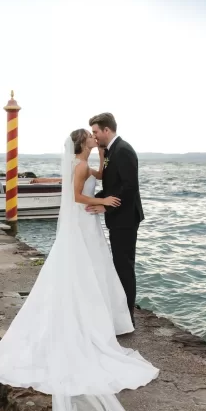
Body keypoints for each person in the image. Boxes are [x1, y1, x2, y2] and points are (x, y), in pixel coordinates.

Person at [0, 129, 159, 411]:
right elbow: (78, 197)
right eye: (90, 137)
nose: (94, 138)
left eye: (96, 136)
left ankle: (103, 317)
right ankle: (91, 319)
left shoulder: (85, 163)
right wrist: (102, 200)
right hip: (83, 221)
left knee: (95, 270)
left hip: (87, 224)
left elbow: (100, 174)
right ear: (82, 143)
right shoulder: (78, 167)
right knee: (86, 271)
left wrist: (102, 157)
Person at [88, 113, 144, 327]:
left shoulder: (123, 151)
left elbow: (129, 187)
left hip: (126, 219)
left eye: (95, 132)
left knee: (124, 267)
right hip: (119, 218)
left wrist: (104, 205)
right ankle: (121, 314)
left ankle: (128, 318)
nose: (94, 136)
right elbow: (113, 186)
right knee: (119, 265)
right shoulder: (113, 150)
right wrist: (98, 198)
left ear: (106, 130)